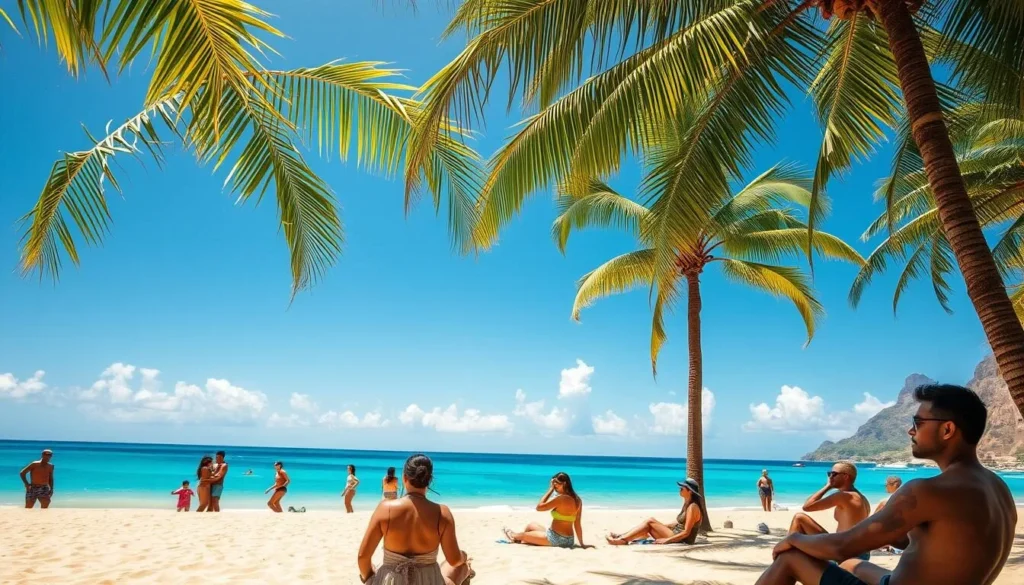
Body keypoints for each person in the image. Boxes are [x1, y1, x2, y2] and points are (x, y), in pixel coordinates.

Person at [755, 384, 1017, 585]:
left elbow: (840, 546)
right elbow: (929, 542)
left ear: (947, 430)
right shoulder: (998, 489)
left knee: (791, 558)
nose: (910, 431)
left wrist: (793, 539)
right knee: (851, 565)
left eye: (918, 423)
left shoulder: (927, 490)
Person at [357, 454, 473, 585]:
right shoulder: (442, 513)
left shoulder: (385, 509)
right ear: (429, 480)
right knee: (463, 567)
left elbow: (363, 557)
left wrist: (370, 579)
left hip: (391, 580)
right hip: (429, 580)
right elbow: (454, 560)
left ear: (405, 477)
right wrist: (463, 556)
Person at [786, 461, 871, 561]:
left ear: (845, 477)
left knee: (799, 518)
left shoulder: (845, 496)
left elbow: (807, 506)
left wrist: (828, 486)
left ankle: (787, 555)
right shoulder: (862, 498)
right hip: (859, 551)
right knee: (800, 520)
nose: (830, 477)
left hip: (846, 552)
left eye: (833, 474)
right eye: (829, 474)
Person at [503, 472, 590, 549]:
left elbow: (539, 507)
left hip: (555, 539)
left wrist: (550, 490)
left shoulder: (561, 498)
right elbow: (577, 523)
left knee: (521, 535)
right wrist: (581, 543)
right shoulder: (578, 500)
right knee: (531, 525)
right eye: (553, 485)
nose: (555, 487)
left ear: (564, 483)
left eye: (556, 485)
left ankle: (513, 536)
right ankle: (522, 540)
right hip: (569, 540)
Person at [606, 478, 703, 545]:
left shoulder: (693, 507)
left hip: (681, 539)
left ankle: (622, 540)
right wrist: (660, 526)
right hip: (675, 533)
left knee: (650, 521)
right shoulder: (687, 504)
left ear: (689, 491)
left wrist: (666, 540)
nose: (680, 489)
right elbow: (677, 523)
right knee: (648, 526)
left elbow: (686, 532)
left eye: (682, 488)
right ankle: (622, 536)